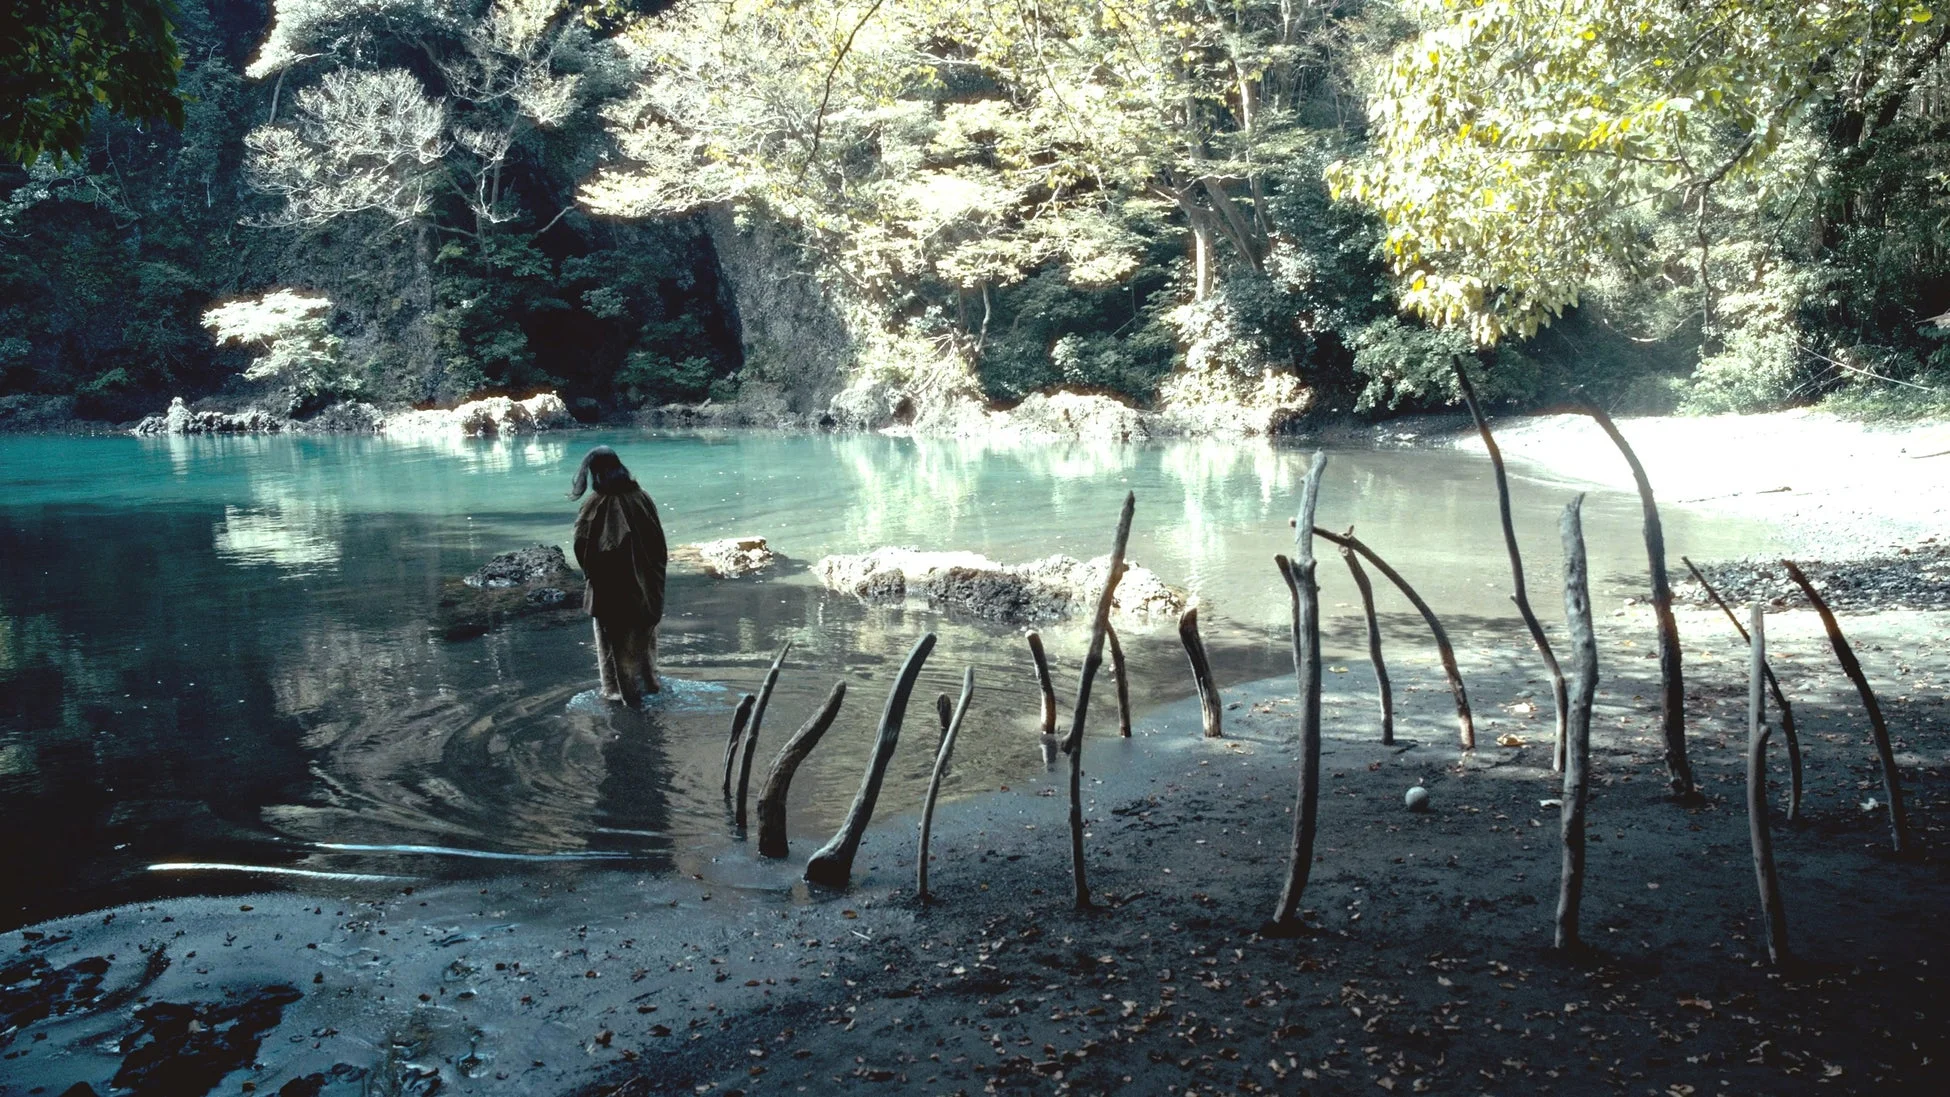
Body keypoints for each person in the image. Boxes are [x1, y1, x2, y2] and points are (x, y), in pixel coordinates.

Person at [570, 445, 667, 705]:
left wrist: (593, 577)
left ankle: (618, 696)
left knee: (612, 647)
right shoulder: (642, 497)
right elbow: (658, 545)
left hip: (610, 593)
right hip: (644, 588)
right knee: (643, 641)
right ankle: (649, 684)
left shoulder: (596, 504)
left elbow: (584, 548)